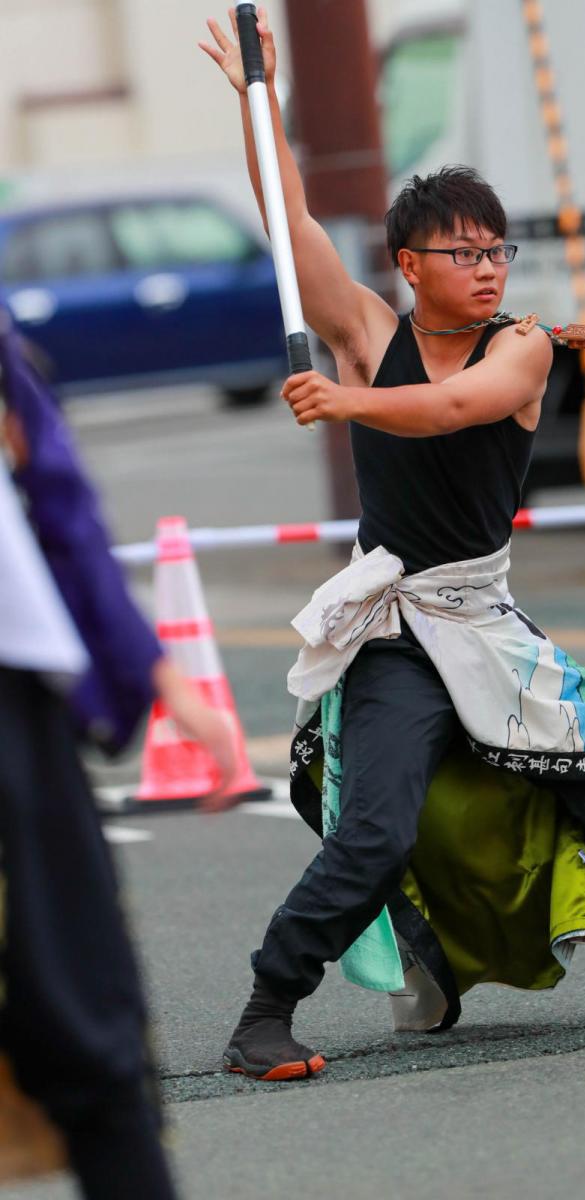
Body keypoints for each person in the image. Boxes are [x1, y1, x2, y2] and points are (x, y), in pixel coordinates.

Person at [201, 7, 585, 1082]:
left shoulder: (520, 350)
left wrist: (346, 404)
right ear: (408, 265)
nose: (487, 268)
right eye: (461, 253)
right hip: (391, 627)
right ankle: (264, 1012)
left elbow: (455, 408)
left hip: (485, 615)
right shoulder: (371, 334)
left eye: (495, 250)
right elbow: (287, 219)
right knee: (373, 830)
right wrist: (258, 100)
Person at [0, 307, 237, 1196]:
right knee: (87, 1038)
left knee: (89, 1039)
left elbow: (50, 490)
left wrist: (156, 671)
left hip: (13, 704)